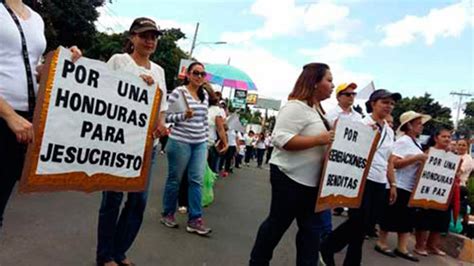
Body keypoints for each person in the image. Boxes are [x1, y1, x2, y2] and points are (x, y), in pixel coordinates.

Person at [0, 0, 81, 232]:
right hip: (7, 116)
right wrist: (8, 114)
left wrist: (62, 61)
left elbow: (33, 68)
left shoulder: (36, 18)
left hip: (24, 121)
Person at [95, 17, 168, 266]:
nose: (150, 41)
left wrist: (160, 124)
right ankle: (105, 255)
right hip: (117, 144)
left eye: (154, 37)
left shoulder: (159, 71)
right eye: (145, 35)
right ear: (132, 37)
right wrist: (136, 84)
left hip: (147, 147)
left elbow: (162, 107)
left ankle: (119, 251)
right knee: (112, 200)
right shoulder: (118, 61)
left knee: (138, 201)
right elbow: (102, 93)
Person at [249, 63, 335, 266]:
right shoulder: (295, 107)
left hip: (313, 183)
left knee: (311, 232)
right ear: (314, 82)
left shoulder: (318, 112)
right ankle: (258, 261)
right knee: (277, 224)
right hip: (289, 178)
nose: (333, 85)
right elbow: (280, 139)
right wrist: (318, 140)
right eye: (329, 80)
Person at [321, 89, 401, 266]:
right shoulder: (361, 123)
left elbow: (388, 159)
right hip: (361, 179)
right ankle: (328, 247)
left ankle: (335, 251)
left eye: (392, 103)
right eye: (385, 102)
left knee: (366, 226)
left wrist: (392, 183)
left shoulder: (389, 131)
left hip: (380, 182)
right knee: (358, 221)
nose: (389, 106)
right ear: (373, 103)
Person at [160, 61, 212, 236]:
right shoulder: (179, 93)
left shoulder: (204, 95)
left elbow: (204, 121)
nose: (199, 77)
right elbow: (167, 116)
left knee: (196, 180)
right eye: (196, 73)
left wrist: (205, 141)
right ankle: (168, 213)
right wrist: (183, 115)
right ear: (188, 75)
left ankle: (195, 219)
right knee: (175, 179)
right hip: (180, 141)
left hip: (199, 143)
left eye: (202, 74)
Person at [375, 111, 431, 262]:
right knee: (391, 214)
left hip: (410, 186)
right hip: (399, 184)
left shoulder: (416, 143)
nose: (421, 127)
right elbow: (394, 163)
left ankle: (402, 247)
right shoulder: (403, 141)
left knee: (407, 218)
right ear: (409, 125)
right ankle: (381, 242)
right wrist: (416, 158)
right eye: (418, 124)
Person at [413, 127, 455, 257]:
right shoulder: (428, 152)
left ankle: (432, 246)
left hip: (442, 192)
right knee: (425, 219)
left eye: (449, 137)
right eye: (444, 136)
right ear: (436, 138)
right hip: (426, 190)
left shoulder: (452, 155)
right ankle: (419, 246)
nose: (447, 139)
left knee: (440, 220)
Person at [327, 82, 361, 217]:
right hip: (334, 155)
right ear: (338, 97)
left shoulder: (358, 117)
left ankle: (341, 204)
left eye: (353, 94)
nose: (351, 97)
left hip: (351, 156)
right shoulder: (331, 115)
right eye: (348, 94)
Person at [207, 86, 228, 173]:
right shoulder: (196, 104)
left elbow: (221, 128)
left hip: (208, 142)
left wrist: (225, 142)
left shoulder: (217, 110)